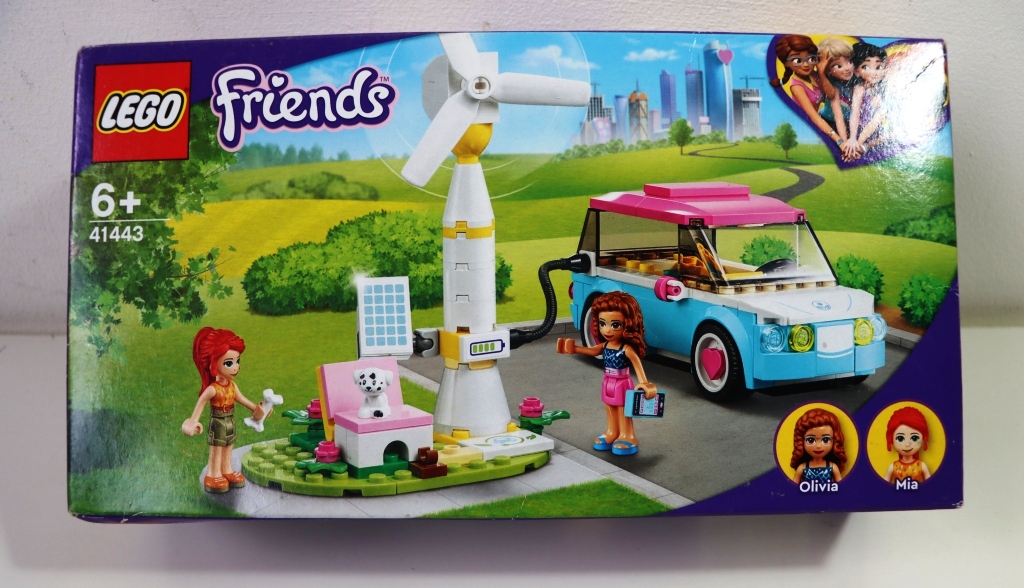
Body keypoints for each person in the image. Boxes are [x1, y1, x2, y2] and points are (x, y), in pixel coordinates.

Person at [556, 291, 657, 456]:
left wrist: (644, 383)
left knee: (624, 410)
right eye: (603, 324)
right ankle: (612, 432)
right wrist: (574, 348)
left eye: (615, 325)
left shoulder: (626, 349)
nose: (607, 330)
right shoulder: (605, 346)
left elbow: (637, 365)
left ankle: (628, 436)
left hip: (622, 382)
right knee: (609, 408)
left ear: (628, 324)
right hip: (608, 381)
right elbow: (591, 351)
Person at [182, 327, 266, 493]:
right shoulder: (213, 389)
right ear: (213, 365)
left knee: (229, 445)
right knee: (217, 448)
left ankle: (226, 470)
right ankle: (213, 474)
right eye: (229, 363)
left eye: (237, 361)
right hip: (218, 421)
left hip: (230, 420)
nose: (235, 367)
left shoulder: (232, 386)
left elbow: (243, 400)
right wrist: (193, 421)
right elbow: (201, 402)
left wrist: (258, 409)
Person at [770, 35, 844, 148]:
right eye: (798, 60)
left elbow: (831, 95)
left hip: (822, 123)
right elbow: (813, 116)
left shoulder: (815, 75)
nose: (805, 65)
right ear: (786, 63)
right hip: (806, 127)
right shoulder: (796, 86)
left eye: (810, 59)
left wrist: (821, 72)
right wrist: (838, 140)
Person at [816, 37, 858, 159]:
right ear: (828, 70)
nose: (847, 68)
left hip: (849, 121)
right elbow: (838, 116)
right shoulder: (834, 85)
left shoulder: (856, 81)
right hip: (829, 121)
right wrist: (844, 144)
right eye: (838, 66)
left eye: (849, 62)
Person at [846, 42, 889, 158]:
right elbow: (855, 113)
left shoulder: (881, 89)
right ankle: (861, 146)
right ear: (856, 71)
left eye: (878, 67)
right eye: (865, 67)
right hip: (863, 131)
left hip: (878, 131)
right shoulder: (860, 89)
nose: (874, 72)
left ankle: (865, 146)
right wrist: (854, 139)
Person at [790, 407, 847, 484]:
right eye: (811, 440)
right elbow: (792, 487)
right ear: (801, 441)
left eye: (825, 440)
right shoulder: (802, 467)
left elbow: (841, 486)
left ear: (835, 441)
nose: (818, 446)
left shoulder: (832, 467)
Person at [884, 407, 932, 484]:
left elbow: (931, 486)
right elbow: (883, 487)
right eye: (900, 438)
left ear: (924, 439)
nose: (907, 444)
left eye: (914, 438)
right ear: (891, 439)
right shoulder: (893, 467)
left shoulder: (921, 466)